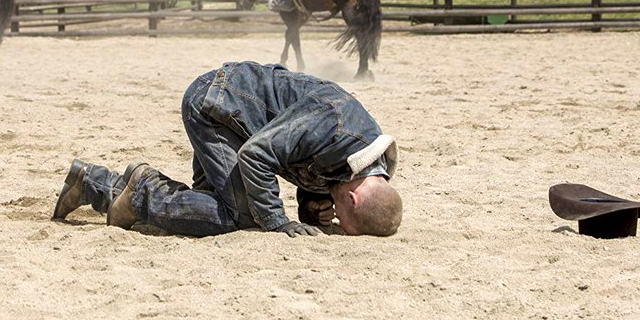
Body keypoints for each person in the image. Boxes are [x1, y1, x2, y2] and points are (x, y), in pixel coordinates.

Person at [52, 61, 402, 238]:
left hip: (232, 109)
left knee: (212, 209)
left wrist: (311, 207)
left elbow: (301, 157)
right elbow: (257, 154)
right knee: (243, 216)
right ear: (355, 199)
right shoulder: (335, 125)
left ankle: (97, 184)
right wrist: (277, 221)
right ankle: (141, 191)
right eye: (342, 215)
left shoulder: (361, 159)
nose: (336, 216)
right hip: (218, 107)